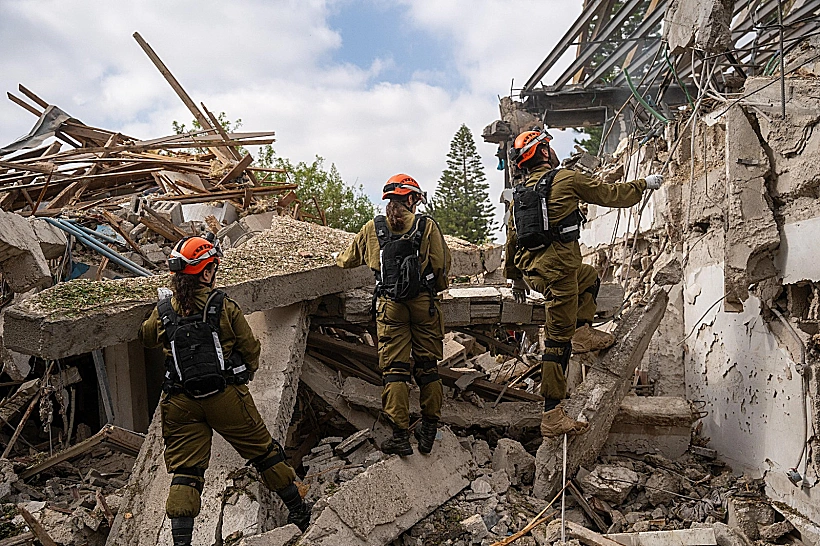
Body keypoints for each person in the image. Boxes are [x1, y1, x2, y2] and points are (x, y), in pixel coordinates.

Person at [139, 234, 311, 545]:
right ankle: (299, 512)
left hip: (179, 401)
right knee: (264, 454)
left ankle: (181, 542)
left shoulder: (165, 310)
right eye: (212, 268)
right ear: (205, 273)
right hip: (225, 396)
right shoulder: (223, 306)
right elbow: (251, 347)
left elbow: (148, 337)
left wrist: (163, 307)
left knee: (186, 472)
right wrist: (244, 375)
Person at [505, 129, 663, 438]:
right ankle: (552, 415)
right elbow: (610, 194)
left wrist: (514, 279)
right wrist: (644, 184)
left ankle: (582, 332)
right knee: (555, 343)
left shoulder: (520, 192)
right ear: (542, 153)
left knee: (590, 277)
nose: (552, 151)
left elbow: (512, 239)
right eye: (547, 146)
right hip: (559, 274)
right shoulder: (565, 179)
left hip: (533, 272)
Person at [336, 174, 451, 456]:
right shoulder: (427, 226)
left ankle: (400, 434)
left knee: (395, 369)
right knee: (428, 366)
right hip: (423, 303)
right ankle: (428, 430)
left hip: (390, 306)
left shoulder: (372, 228)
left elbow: (347, 260)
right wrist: (435, 290)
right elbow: (442, 266)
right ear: (412, 199)